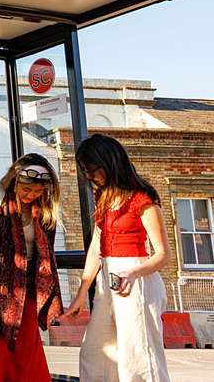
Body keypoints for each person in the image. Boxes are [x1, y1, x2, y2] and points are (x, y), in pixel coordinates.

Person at [64, 134, 173, 382]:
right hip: (107, 279)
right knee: (96, 357)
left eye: (92, 168)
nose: (90, 176)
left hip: (137, 277)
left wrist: (133, 273)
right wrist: (83, 291)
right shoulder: (103, 196)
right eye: (85, 170)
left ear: (110, 161)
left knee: (138, 360)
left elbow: (164, 254)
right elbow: (96, 245)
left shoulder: (142, 199)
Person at [0, 154, 66, 382]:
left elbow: (47, 249)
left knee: (25, 357)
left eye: (38, 191)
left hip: (27, 293)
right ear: (14, 179)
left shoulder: (45, 207)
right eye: (26, 190)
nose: (31, 196)